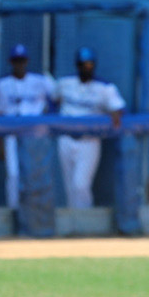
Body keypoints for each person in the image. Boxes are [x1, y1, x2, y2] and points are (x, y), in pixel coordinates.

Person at [53, 47, 125, 208]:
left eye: (90, 65)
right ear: (77, 65)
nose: (87, 68)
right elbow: (53, 100)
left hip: (89, 141)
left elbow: (119, 108)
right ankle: (74, 225)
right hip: (66, 139)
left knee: (80, 184)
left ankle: (85, 222)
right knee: (70, 187)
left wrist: (114, 111)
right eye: (83, 65)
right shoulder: (65, 83)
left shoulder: (105, 87)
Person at [0, 43, 55, 209]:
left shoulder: (41, 81)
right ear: (10, 62)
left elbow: (57, 99)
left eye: (21, 60)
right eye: (16, 60)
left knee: (34, 174)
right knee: (13, 175)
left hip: (34, 135)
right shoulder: (2, 84)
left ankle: (35, 210)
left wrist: (47, 113)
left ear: (27, 61)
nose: (19, 64)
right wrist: (0, 143)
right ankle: (14, 210)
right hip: (11, 134)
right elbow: (0, 114)